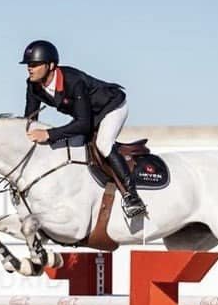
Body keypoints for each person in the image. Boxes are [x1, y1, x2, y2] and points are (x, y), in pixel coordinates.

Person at [21, 40, 146, 217]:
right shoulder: (33, 85)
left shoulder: (73, 81)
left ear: (50, 65)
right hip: (88, 115)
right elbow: (30, 120)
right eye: (28, 65)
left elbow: (83, 124)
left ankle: (132, 197)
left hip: (112, 107)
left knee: (103, 144)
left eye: (34, 64)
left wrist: (49, 134)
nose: (29, 68)